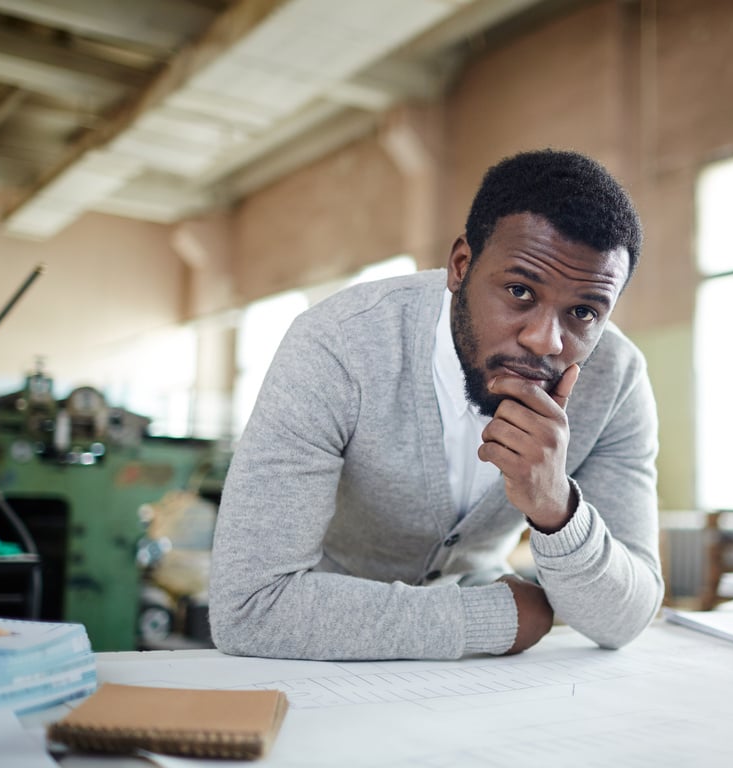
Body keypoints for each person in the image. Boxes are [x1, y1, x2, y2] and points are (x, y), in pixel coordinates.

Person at [209, 148, 663, 660]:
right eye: (519, 290)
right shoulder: (339, 345)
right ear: (461, 265)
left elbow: (625, 619)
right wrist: (492, 618)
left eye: (583, 312)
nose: (544, 340)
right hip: (312, 655)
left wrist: (556, 506)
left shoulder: (617, 379)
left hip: (466, 686)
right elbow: (248, 610)